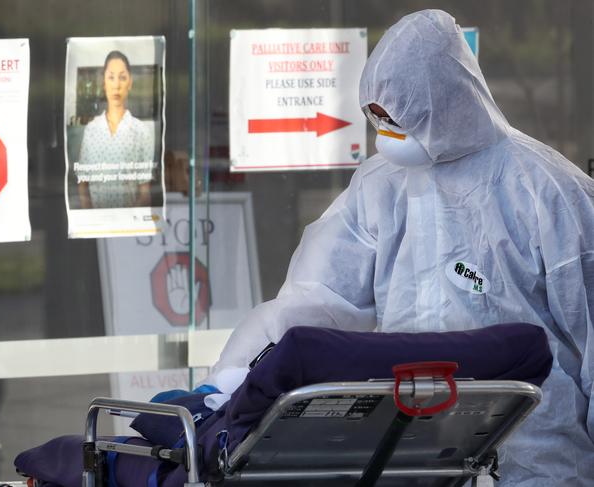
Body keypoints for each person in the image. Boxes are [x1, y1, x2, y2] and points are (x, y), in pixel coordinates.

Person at [209, 9, 594, 486]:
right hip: (414, 457)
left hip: (539, 466)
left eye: (397, 117)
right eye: (377, 117)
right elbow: (315, 301)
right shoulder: (380, 187)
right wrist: (234, 380)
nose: (386, 131)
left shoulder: (547, 192)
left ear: (448, 99)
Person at [76, 50, 154, 209]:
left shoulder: (141, 131)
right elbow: (82, 184)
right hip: (97, 226)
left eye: (122, 77)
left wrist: (127, 221)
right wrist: (91, 219)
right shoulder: (91, 130)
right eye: (111, 77)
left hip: (127, 227)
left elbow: (145, 194)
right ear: (104, 83)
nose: (116, 85)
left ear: (130, 83)